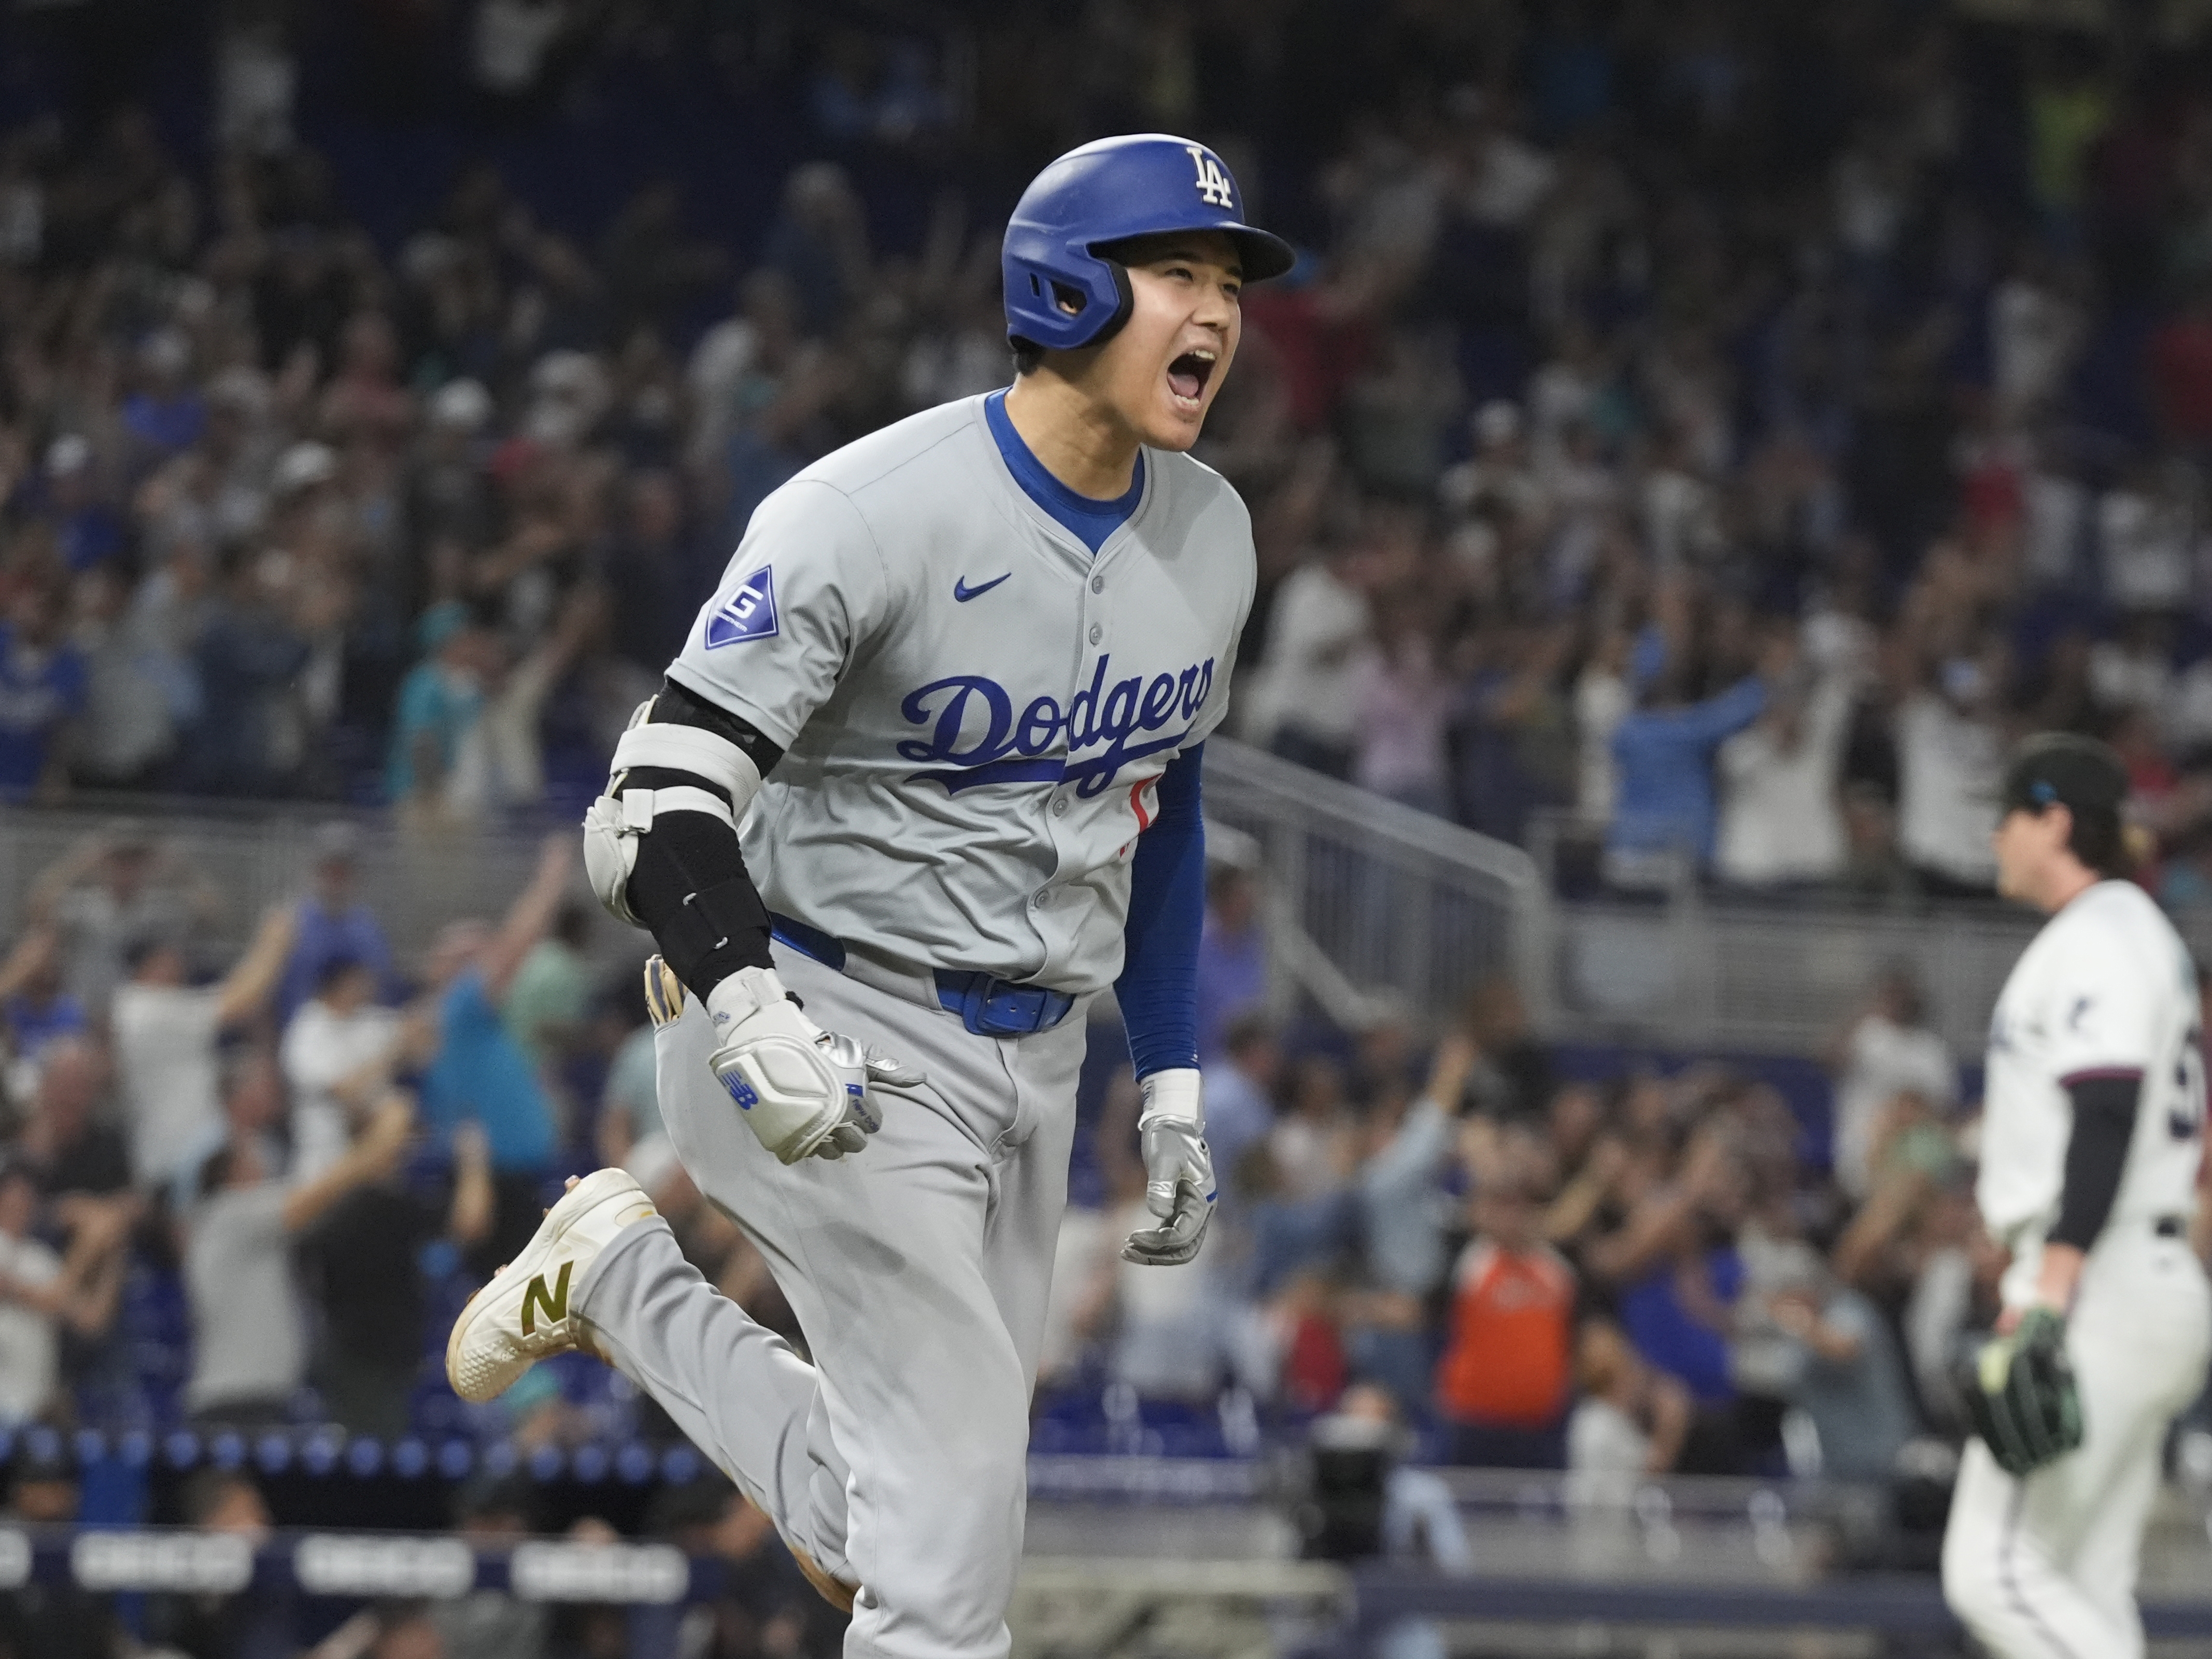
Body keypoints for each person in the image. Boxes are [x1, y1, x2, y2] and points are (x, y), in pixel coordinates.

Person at [445, 133, 1289, 1658]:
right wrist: (743, 991)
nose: (1216, 313)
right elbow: (653, 797)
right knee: (949, 1587)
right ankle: (630, 1264)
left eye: (1228, 281)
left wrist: (1167, 1076)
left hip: (1036, 1060)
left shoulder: (1213, 533)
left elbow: (1161, 805)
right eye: (1177, 273)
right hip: (822, 1020)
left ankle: (623, 1273)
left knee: (885, 1524)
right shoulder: (868, 509)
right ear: (1067, 287)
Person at [1941, 733, 2212, 1658]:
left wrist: (2051, 1290)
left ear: (2053, 820)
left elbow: (2105, 1110)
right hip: (2140, 1269)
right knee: (2080, 1584)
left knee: (1991, 1567)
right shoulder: (2132, 936)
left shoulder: (2099, 933)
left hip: (2097, 1279)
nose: (1992, 837)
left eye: (2007, 816)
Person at [183, 1082, 417, 1425]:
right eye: (251, 1158)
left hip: (261, 1399)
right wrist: (376, 1143)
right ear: (233, 1173)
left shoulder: (240, 1228)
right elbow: (314, 1196)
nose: (263, 1164)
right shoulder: (228, 1214)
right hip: (235, 1404)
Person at [109, 905, 296, 1189]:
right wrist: (275, 943)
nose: (180, 960)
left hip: (192, 1157)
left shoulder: (153, 1003)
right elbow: (242, 1000)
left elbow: (236, 993)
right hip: (172, 1164)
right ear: (154, 960)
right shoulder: (142, 1007)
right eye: (171, 953)